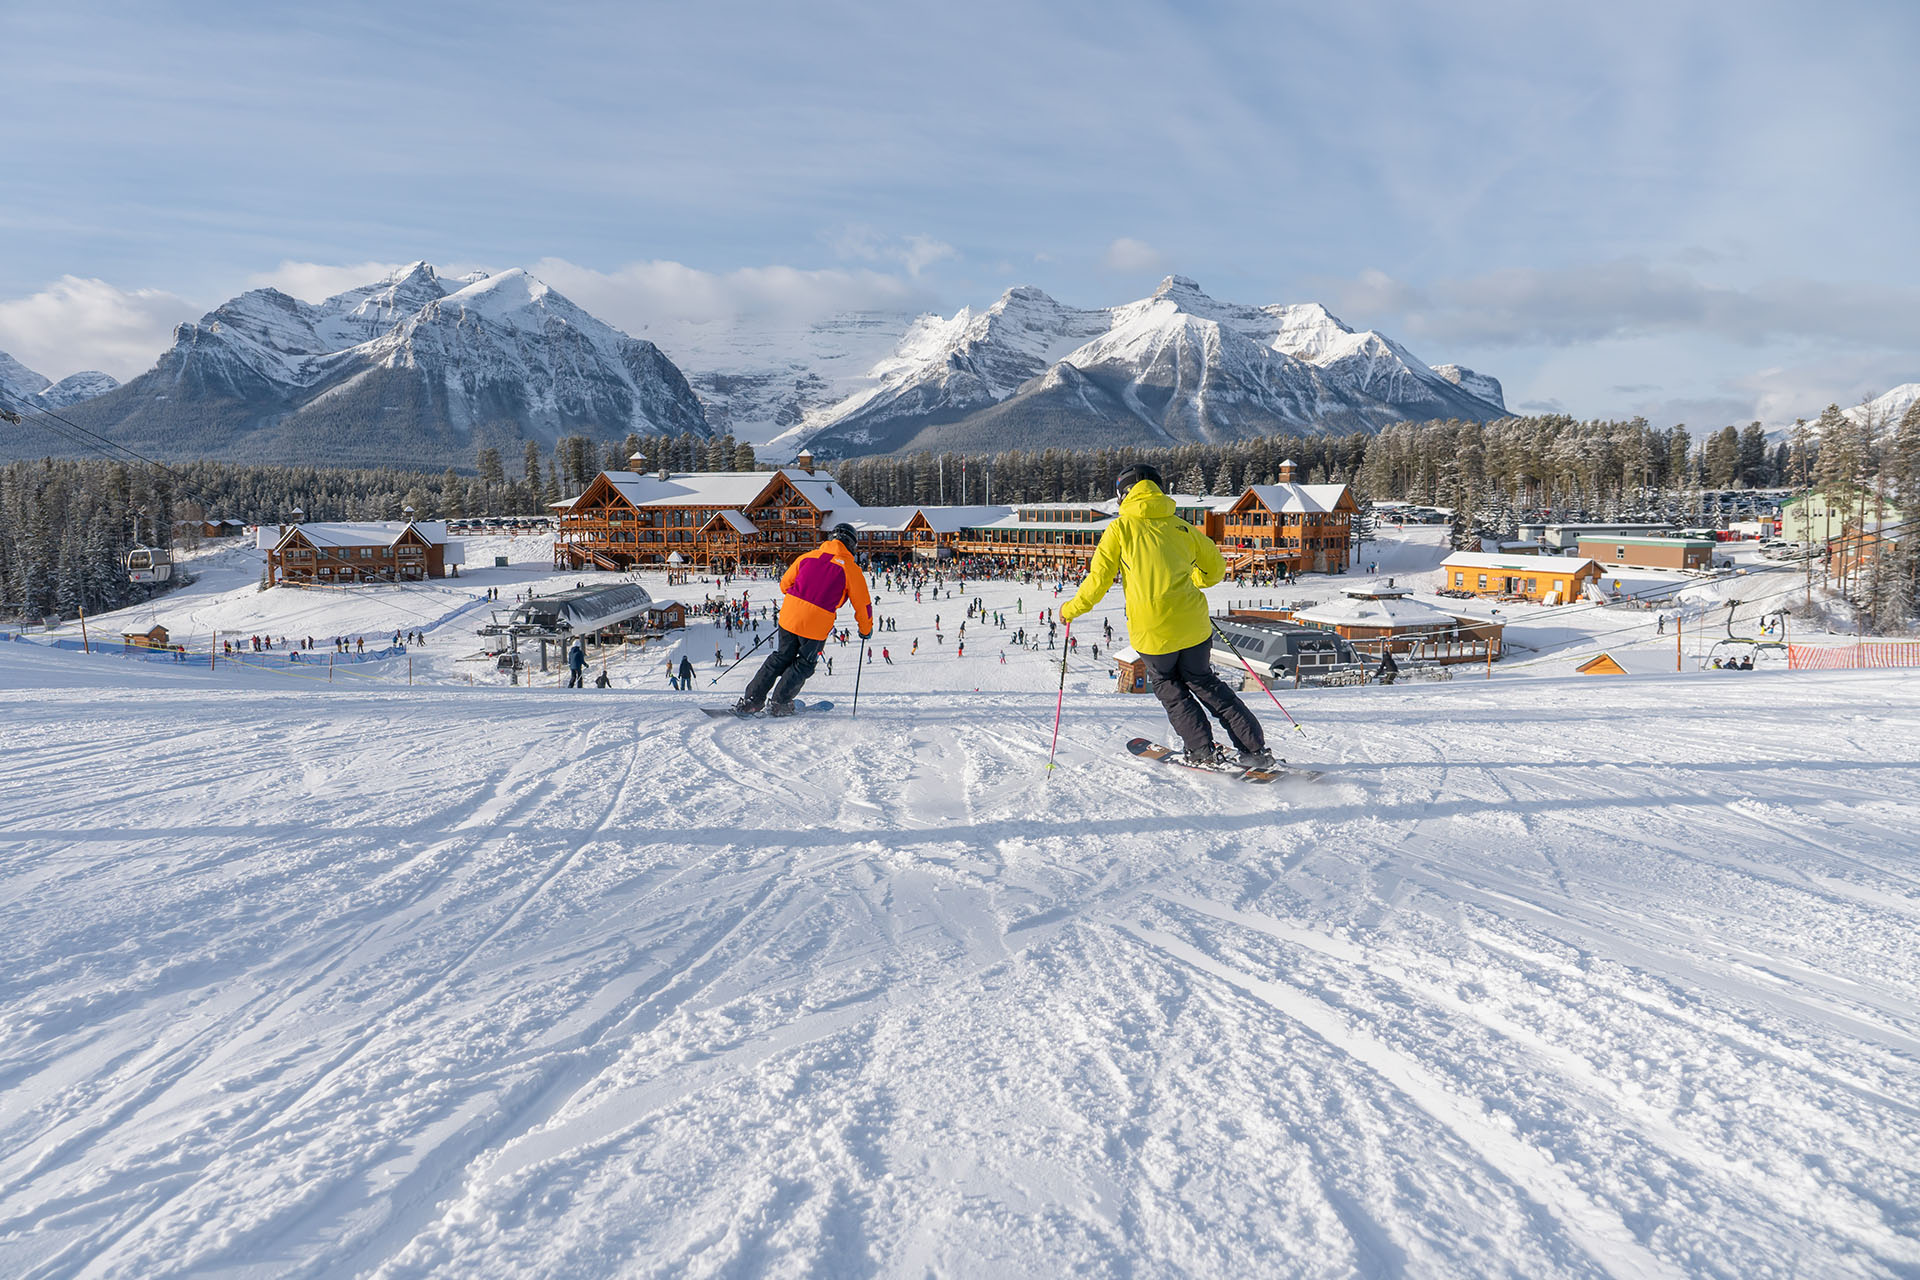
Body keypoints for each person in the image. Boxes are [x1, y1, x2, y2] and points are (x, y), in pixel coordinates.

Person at [1061, 463, 1274, 769]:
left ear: (1123, 494)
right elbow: (1215, 568)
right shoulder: (1181, 527)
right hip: (1194, 626)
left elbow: (1097, 582)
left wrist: (1070, 610)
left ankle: (1201, 750)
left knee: (1171, 690)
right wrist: (1195, 580)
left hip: (1153, 632)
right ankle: (1254, 748)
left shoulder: (1120, 530)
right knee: (1206, 683)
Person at [733, 523, 872, 716]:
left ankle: (752, 701)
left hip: (789, 616)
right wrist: (865, 629)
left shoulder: (808, 556)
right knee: (804, 663)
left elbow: (784, 584)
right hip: (816, 623)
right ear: (851, 545)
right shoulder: (851, 569)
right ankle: (780, 703)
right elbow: (863, 605)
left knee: (781, 657)